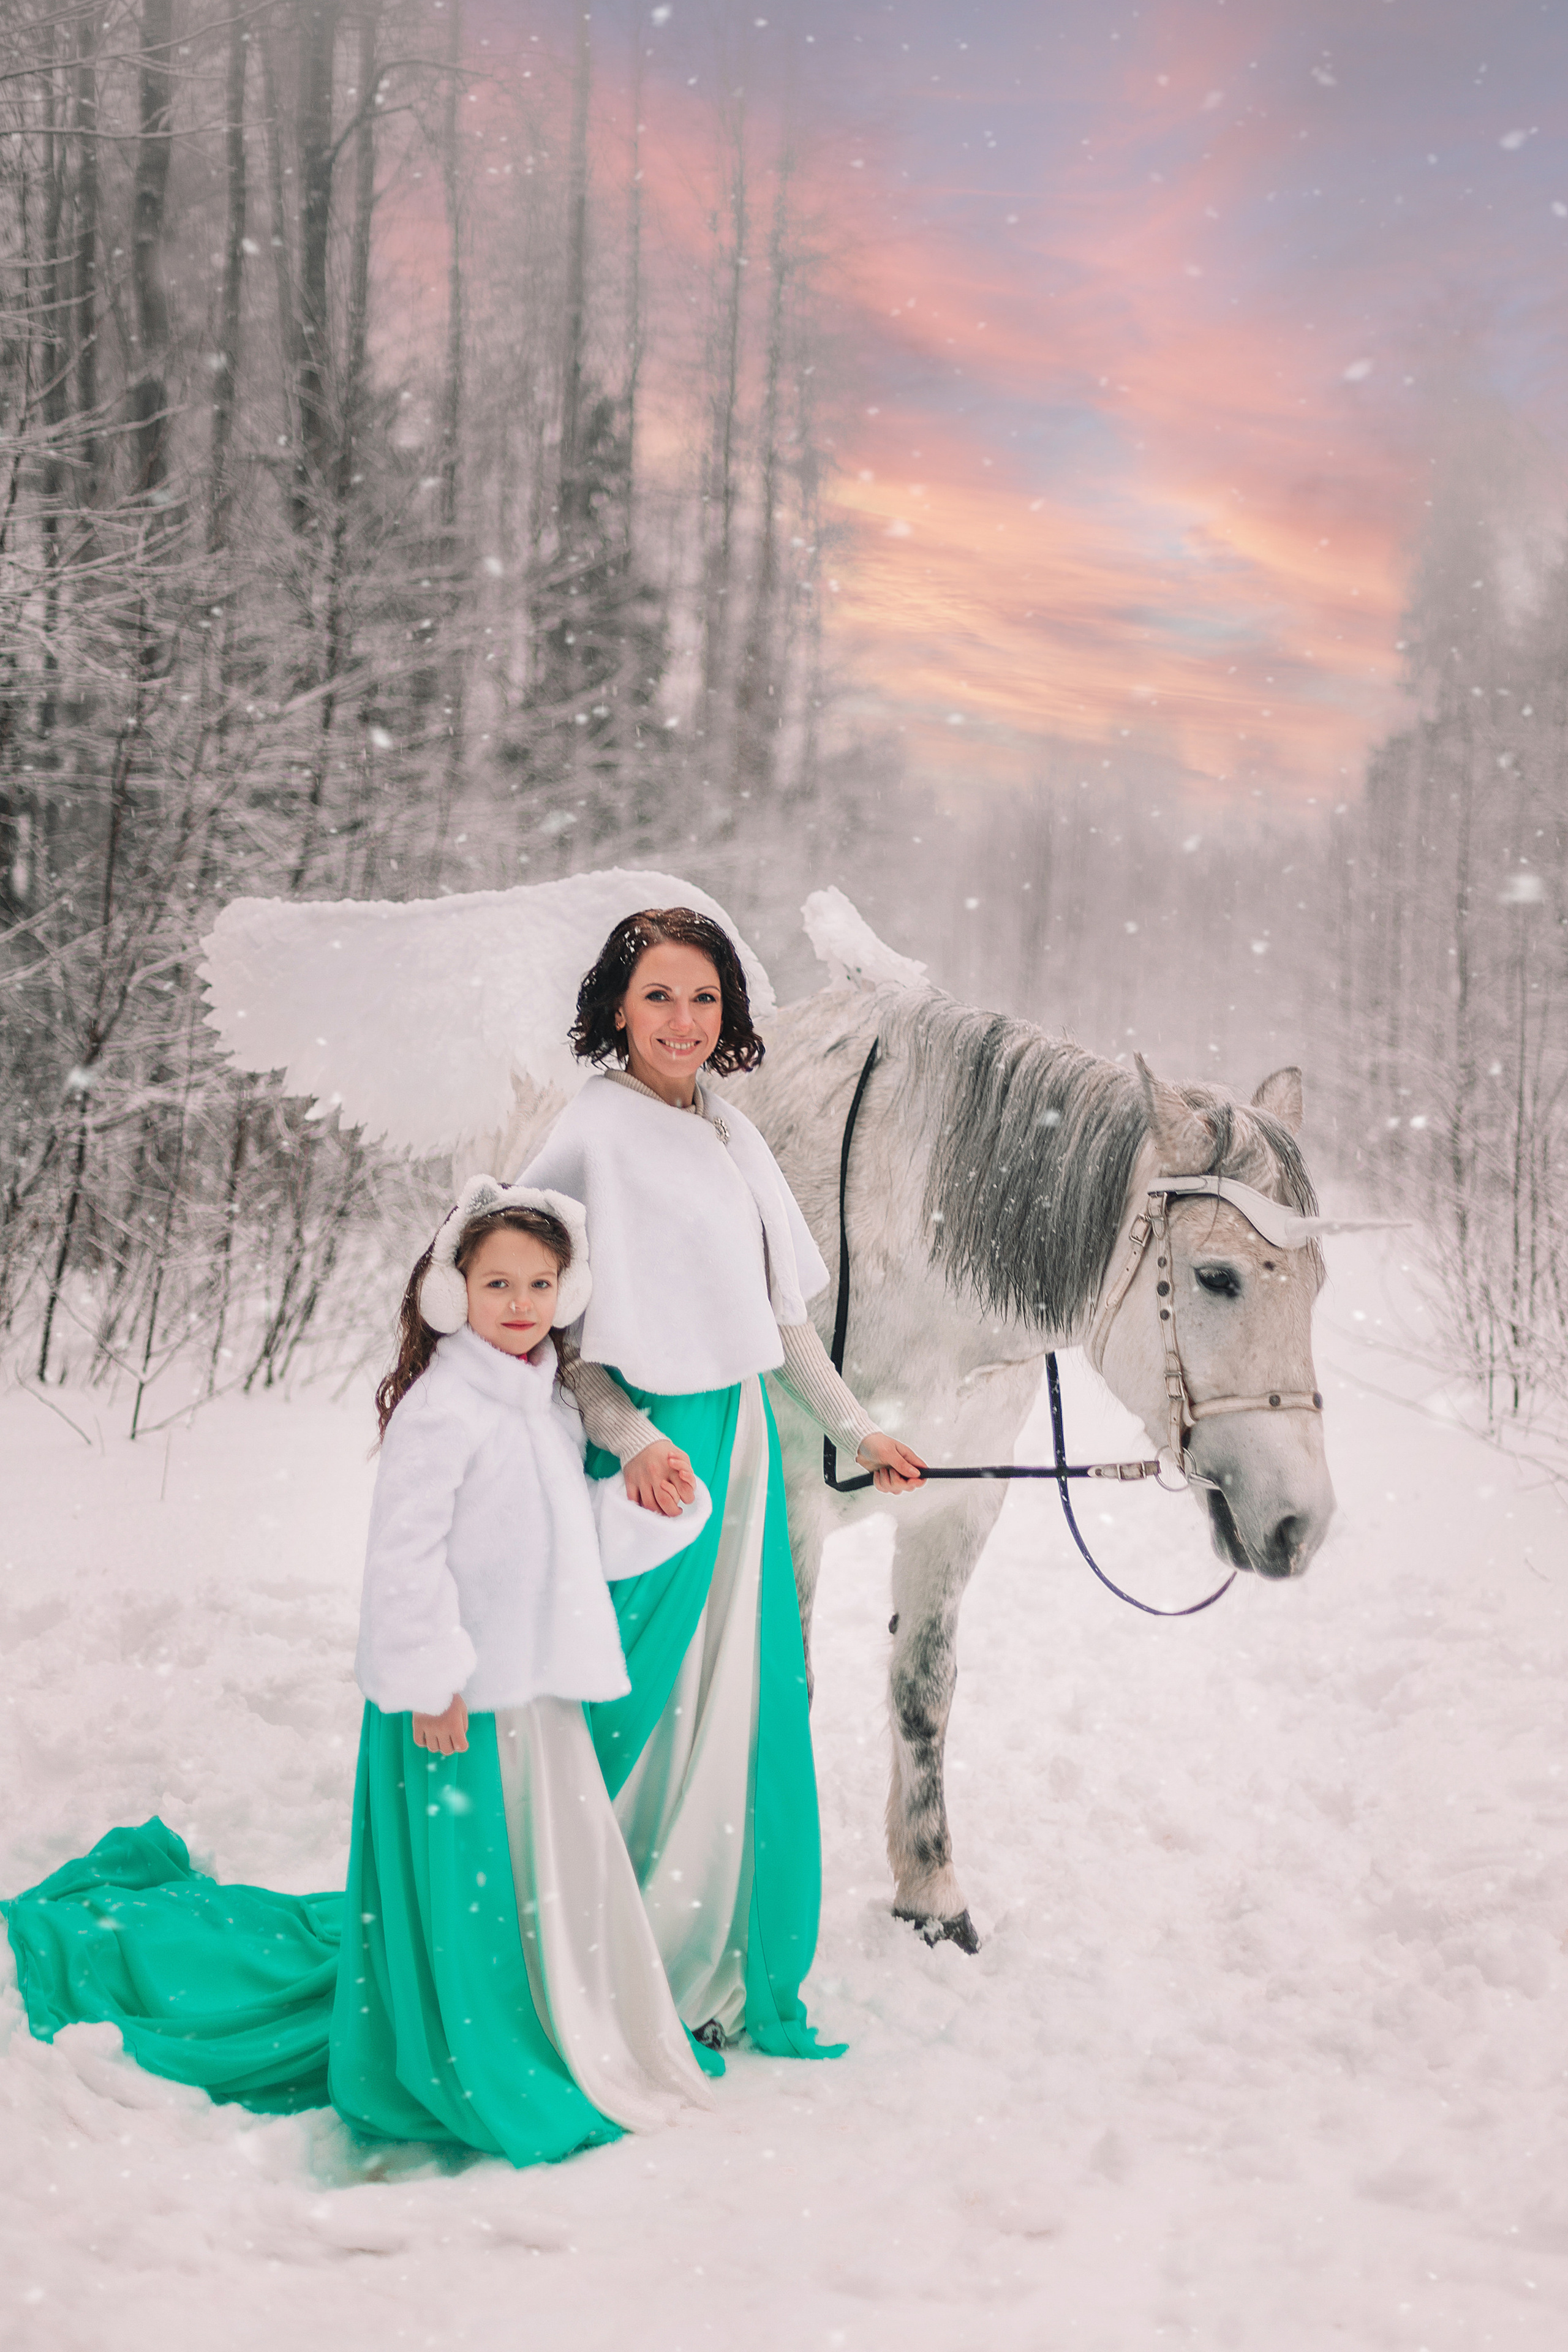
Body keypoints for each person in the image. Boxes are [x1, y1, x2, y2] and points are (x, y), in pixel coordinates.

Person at [2, 1180, 716, 2168]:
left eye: (540, 1284)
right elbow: (403, 1561)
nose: (520, 1303)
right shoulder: (445, 1409)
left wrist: (654, 1506)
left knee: (520, 1883)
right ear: (452, 1292)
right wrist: (430, 1681)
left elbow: (559, 1547)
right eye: (498, 1281)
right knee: (466, 1891)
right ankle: (460, 2051)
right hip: (453, 1703)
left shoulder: (544, 1404)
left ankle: (533, 2019)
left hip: (531, 1702)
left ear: (566, 1293)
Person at [518, 907, 927, 2060]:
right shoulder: (592, 1136)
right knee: (631, 1708)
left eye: (703, 999)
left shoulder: (729, 1135)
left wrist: (857, 1429)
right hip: (650, 1468)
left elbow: (780, 1319)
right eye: (658, 997)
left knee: (735, 1710)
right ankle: (578, 1958)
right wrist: (635, 1438)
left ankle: (694, 1955)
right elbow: (566, 1343)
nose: (683, 1021)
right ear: (617, 1008)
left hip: (739, 1451)